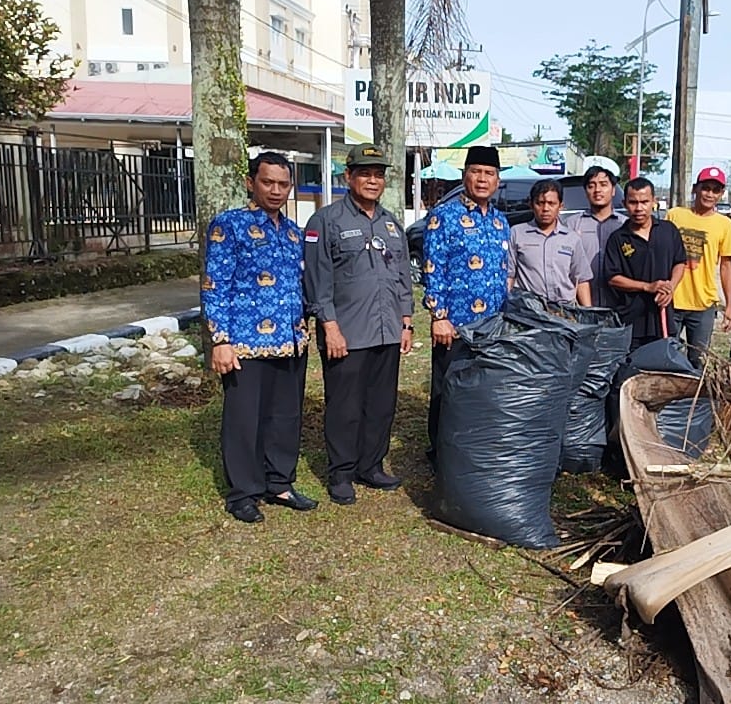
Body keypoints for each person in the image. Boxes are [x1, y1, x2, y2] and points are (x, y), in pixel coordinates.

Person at [202, 151, 316, 523]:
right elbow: (214, 286)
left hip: (290, 341)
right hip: (244, 344)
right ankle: (244, 493)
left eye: (283, 184)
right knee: (244, 420)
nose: (276, 190)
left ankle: (279, 482)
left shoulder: (293, 232)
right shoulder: (228, 226)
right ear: (251, 182)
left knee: (285, 416)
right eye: (268, 182)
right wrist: (220, 340)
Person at [303, 144, 413, 504]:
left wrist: (407, 321)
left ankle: (371, 465)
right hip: (347, 332)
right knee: (345, 406)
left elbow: (401, 276)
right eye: (364, 173)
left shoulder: (392, 223)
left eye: (378, 174)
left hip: (386, 329)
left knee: (381, 404)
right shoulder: (326, 221)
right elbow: (317, 279)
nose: (372, 180)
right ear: (348, 177)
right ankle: (341, 473)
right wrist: (329, 326)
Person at [422, 145, 511, 465]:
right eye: (476, 172)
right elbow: (432, 267)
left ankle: (474, 447)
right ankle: (441, 452)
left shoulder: (501, 222)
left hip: (492, 326)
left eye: (489, 174)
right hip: (455, 324)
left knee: (483, 387)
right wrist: (438, 316)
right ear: (465, 176)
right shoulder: (443, 217)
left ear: (498, 180)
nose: (482, 179)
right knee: (447, 389)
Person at [602, 177, 687, 350]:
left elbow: (680, 262)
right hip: (632, 321)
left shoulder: (668, 230)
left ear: (654, 202)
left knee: (663, 372)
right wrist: (647, 287)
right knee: (632, 372)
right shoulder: (618, 238)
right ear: (624, 203)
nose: (639, 208)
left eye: (644, 202)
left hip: (663, 316)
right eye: (633, 202)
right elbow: (612, 278)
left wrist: (670, 286)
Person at [665, 166, 731, 368]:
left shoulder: (724, 225)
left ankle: (694, 398)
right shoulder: (675, 215)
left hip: (703, 304)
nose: (710, 194)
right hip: (673, 300)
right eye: (706, 188)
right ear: (695, 188)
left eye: (716, 190)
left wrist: (729, 306)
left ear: (721, 194)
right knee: (668, 354)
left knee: (698, 359)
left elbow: (725, 266)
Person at [509, 178, 593, 305]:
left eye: (551, 203)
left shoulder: (572, 238)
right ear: (531, 205)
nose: (545, 208)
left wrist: (588, 313)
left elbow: (581, 279)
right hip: (528, 311)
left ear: (561, 206)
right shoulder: (516, 233)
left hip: (564, 311)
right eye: (540, 203)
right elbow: (509, 275)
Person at [563, 166, 627, 308]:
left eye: (603, 185)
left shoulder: (625, 225)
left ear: (613, 190)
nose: (597, 190)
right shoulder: (571, 225)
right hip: (581, 306)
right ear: (585, 191)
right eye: (591, 186)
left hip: (619, 306)